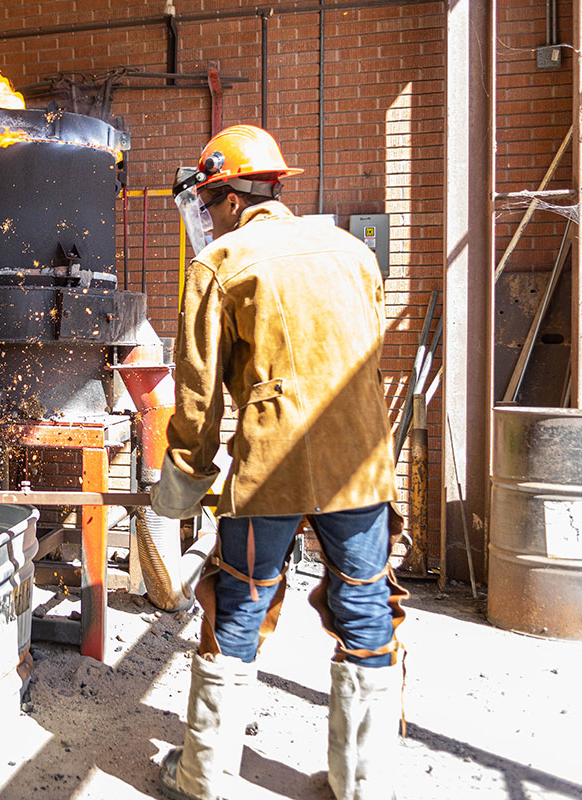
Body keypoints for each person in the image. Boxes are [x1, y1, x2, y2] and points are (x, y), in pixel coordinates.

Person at [151, 124, 408, 800]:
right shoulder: (353, 252)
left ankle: (203, 781)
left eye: (207, 205)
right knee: (366, 613)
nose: (205, 219)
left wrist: (181, 484)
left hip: (273, 468)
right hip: (362, 464)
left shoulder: (222, 264)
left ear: (231, 198)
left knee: (238, 604)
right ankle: (363, 786)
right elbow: (367, 356)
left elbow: (198, 393)